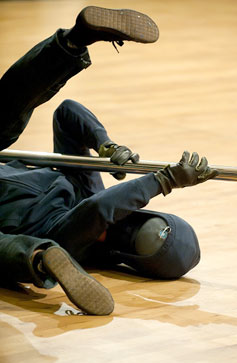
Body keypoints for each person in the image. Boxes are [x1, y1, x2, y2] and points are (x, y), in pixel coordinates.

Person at [0, 5, 217, 316]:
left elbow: (100, 210)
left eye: (139, 242)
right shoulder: (87, 191)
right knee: (7, 110)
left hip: (22, 228)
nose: (127, 233)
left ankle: (41, 257)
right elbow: (67, 114)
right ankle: (75, 41)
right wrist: (105, 145)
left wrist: (164, 181)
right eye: (143, 231)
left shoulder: (82, 240)